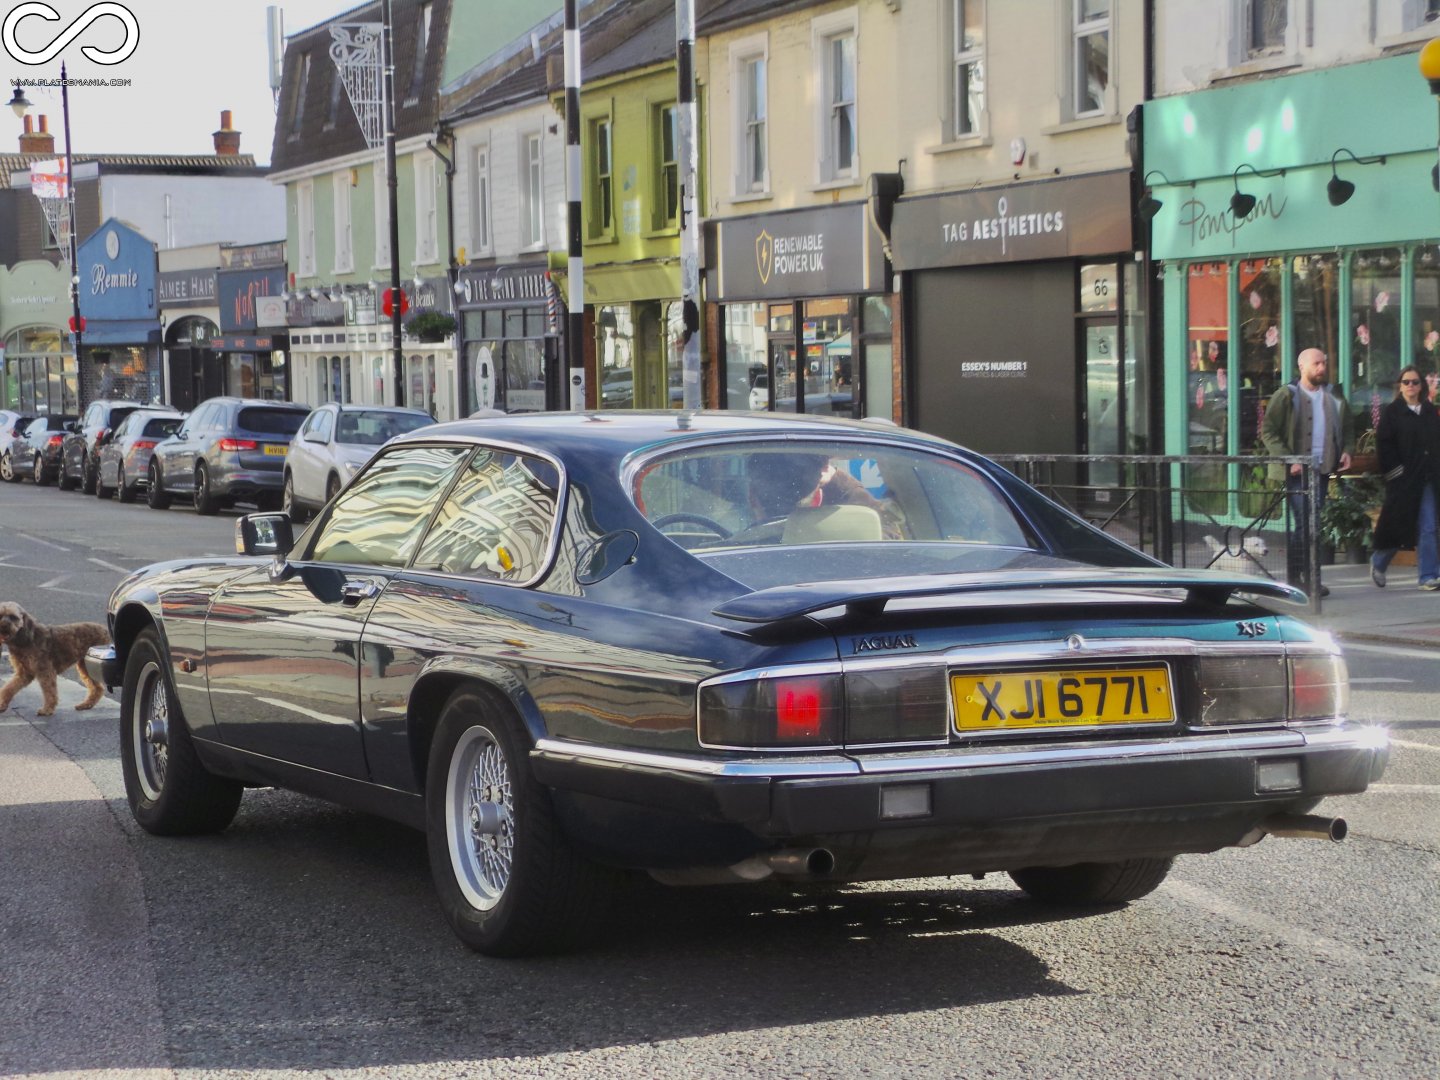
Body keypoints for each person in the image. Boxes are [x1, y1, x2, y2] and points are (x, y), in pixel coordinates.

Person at [1260, 347, 1354, 598]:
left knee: (1313, 522)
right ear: (1302, 367)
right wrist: (1288, 459)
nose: (1322, 368)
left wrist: (1346, 450)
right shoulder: (1286, 395)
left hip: (1321, 469)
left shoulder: (1334, 395)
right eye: (1316, 364)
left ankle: (1305, 578)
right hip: (1295, 472)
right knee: (1305, 521)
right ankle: (1301, 578)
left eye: (1324, 363)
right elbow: (1268, 431)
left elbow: (1348, 428)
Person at [1369, 366, 1440, 590]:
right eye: (1406, 382)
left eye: (1415, 382)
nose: (1411, 386)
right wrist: (1395, 472)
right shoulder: (1392, 413)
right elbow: (1385, 445)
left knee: (1428, 527)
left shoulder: (1430, 412)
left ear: (1422, 386)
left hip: (1427, 478)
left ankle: (1428, 576)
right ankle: (1379, 561)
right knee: (1399, 526)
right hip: (1403, 480)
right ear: (1400, 386)